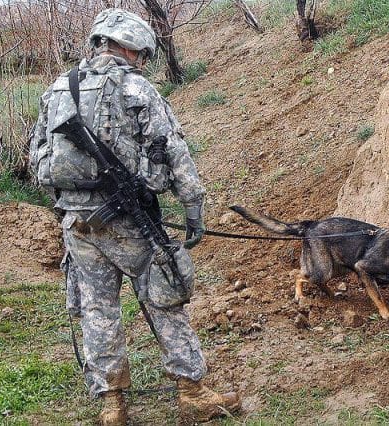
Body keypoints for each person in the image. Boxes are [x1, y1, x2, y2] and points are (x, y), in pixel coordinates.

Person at [29, 8, 240, 425]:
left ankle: (113, 405)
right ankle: (192, 391)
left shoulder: (58, 89)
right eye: (140, 53)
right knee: (166, 299)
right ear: (127, 47)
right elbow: (173, 149)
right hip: (131, 223)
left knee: (97, 311)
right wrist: (193, 207)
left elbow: (38, 158)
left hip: (78, 223)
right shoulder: (136, 89)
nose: (141, 61)